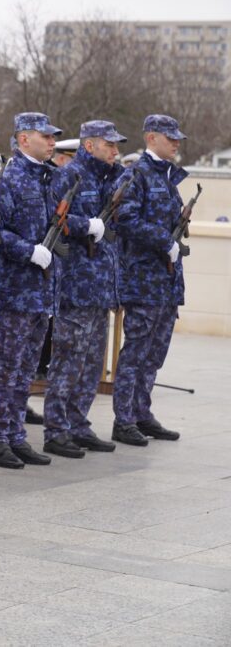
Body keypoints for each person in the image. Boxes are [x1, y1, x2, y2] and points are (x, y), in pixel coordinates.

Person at [0, 112, 62, 470]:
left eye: (53, 137)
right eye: (45, 136)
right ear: (24, 139)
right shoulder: (10, 178)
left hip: (40, 291)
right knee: (5, 368)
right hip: (13, 290)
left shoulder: (50, 179)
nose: (52, 142)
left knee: (26, 370)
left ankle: (15, 434)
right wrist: (28, 250)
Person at [42, 121, 126, 457]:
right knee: (67, 360)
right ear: (89, 146)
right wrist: (86, 225)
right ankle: (56, 429)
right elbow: (54, 219)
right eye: (110, 145)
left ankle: (79, 423)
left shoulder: (109, 177)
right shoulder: (69, 175)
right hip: (76, 284)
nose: (116, 151)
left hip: (100, 285)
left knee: (91, 362)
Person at [110, 115, 187, 446]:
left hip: (166, 281)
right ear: (151, 138)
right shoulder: (136, 174)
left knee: (155, 354)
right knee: (136, 352)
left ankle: (142, 412)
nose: (176, 143)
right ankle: (123, 419)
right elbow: (124, 220)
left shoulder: (168, 177)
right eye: (170, 138)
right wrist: (162, 240)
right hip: (144, 280)